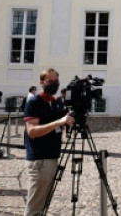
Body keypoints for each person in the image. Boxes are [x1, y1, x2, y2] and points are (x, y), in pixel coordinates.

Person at [23, 68, 75, 216]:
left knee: (41, 206)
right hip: (39, 159)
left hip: (51, 157)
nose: (54, 84)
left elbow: (55, 127)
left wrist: (65, 121)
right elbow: (32, 132)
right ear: (41, 83)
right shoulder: (34, 101)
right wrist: (58, 123)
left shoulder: (54, 102)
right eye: (50, 81)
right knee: (34, 208)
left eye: (56, 81)